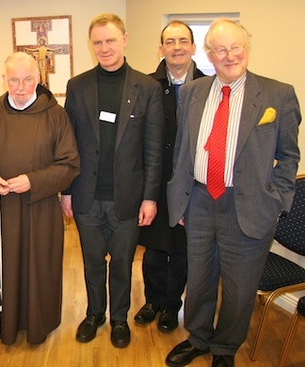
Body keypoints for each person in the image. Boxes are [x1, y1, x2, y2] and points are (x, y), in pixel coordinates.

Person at [165, 18, 301, 367]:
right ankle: (198, 338)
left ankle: (225, 348)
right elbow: (182, 149)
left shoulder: (277, 94)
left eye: (235, 47)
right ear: (209, 54)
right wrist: (177, 199)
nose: (229, 55)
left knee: (240, 288)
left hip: (248, 205)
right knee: (198, 280)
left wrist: (276, 203)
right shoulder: (193, 92)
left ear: (247, 48)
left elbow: (288, 156)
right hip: (197, 200)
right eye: (220, 49)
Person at [61, 13, 164, 348]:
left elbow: (152, 149)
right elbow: (68, 144)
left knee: (121, 264)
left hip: (128, 198)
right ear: (92, 46)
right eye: (98, 42)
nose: (104, 48)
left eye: (110, 40)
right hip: (86, 196)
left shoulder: (147, 88)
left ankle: (119, 318)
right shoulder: (78, 86)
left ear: (125, 39)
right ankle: (94, 314)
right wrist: (65, 191)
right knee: (91, 262)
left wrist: (150, 197)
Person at [0, 52, 80, 345]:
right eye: (13, 80)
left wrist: (33, 180)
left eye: (27, 79)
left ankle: (37, 324)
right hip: (0, 208)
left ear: (38, 79)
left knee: (38, 265)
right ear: (4, 79)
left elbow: (69, 164)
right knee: (1, 264)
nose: (20, 87)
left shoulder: (55, 115)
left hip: (39, 207)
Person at [134, 21, 206, 333]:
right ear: (160, 48)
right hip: (154, 181)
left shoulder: (209, 86)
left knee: (181, 249)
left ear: (192, 47)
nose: (176, 47)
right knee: (153, 249)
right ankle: (152, 300)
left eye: (183, 41)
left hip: (192, 184)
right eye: (169, 41)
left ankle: (171, 305)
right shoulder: (147, 85)